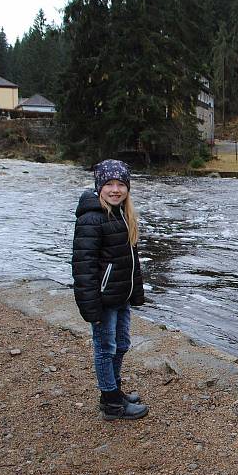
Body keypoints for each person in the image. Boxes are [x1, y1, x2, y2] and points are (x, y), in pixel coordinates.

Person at [71, 159, 149, 420]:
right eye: (109, 184)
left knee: (122, 344)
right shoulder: (91, 218)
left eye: (121, 184)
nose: (115, 190)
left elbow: (131, 260)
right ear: (99, 186)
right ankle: (112, 403)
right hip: (104, 300)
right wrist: (90, 305)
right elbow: (84, 267)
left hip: (120, 296)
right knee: (106, 347)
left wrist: (136, 292)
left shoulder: (123, 215)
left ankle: (113, 390)